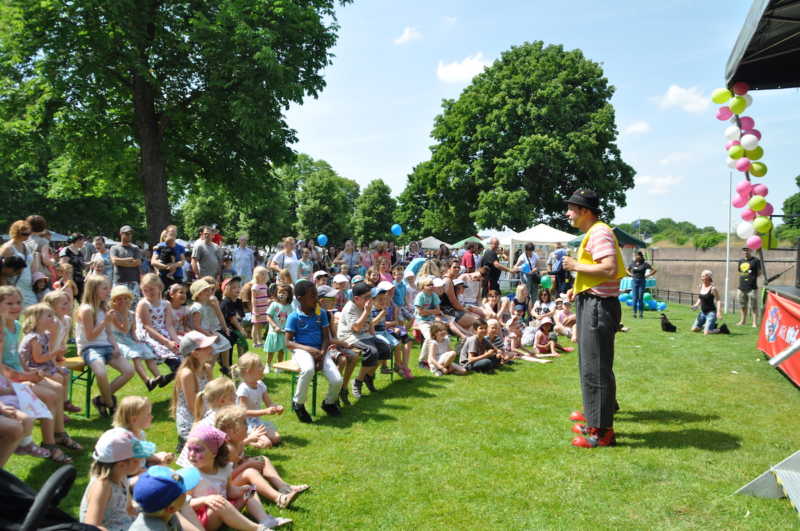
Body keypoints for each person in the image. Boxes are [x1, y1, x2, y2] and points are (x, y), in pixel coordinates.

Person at [563, 189, 626, 449]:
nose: (567, 213)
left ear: (585, 211)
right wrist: (578, 285)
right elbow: (598, 271)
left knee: (596, 369)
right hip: (593, 302)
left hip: (598, 307)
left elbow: (609, 268)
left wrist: (575, 267)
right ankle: (593, 419)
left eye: (571, 208)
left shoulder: (599, 232)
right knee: (591, 367)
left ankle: (602, 432)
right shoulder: (596, 232)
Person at [184, 424, 284, 531]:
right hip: (203, 519)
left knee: (250, 490)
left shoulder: (224, 469)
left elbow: (229, 491)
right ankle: (257, 529)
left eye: (197, 450)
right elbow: (184, 503)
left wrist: (242, 490)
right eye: (189, 449)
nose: (191, 454)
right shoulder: (190, 474)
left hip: (226, 508)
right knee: (219, 504)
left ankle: (264, 519)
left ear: (214, 452)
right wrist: (205, 500)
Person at [77, 274, 135, 417]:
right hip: (89, 348)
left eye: (108, 288)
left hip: (107, 346)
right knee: (101, 372)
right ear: (94, 289)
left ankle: (101, 400)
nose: (108, 291)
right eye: (104, 288)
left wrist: (115, 346)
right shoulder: (86, 310)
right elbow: (90, 336)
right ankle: (110, 404)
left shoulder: (104, 308)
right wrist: (105, 321)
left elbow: (109, 333)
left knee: (129, 371)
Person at [285, 279, 343, 422]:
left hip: (321, 350)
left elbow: (326, 338)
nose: (316, 298)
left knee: (337, 380)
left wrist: (322, 356)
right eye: (312, 296)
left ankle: (328, 403)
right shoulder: (293, 317)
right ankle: (298, 404)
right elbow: (288, 342)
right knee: (308, 370)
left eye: (316, 294)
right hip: (301, 351)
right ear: (300, 299)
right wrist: (309, 349)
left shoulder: (321, 313)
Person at [79, 427, 156, 530]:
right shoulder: (102, 486)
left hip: (124, 522)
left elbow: (129, 509)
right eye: (136, 460)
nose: (142, 462)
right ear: (122, 465)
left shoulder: (122, 477)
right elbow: (92, 525)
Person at [109, 285, 163, 391]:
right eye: (119, 299)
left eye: (125, 299)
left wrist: (136, 339)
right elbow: (123, 329)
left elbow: (132, 330)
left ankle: (159, 377)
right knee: (136, 356)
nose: (123, 301)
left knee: (147, 353)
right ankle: (147, 380)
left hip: (129, 338)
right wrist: (124, 314)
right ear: (113, 302)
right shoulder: (113, 314)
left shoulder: (131, 314)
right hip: (118, 341)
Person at [172, 331, 216, 453]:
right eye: (206, 347)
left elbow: (214, 394)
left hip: (206, 413)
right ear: (195, 353)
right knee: (215, 447)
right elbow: (193, 407)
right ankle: (184, 443)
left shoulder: (206, 368)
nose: (212, 348)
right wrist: (212, 422)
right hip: (193, 420)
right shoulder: (187, 374)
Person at [131, 465, 201, 531]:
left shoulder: (170, 516)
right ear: (171, 508)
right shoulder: (156, 528)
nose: (186, 493)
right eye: (183, 491)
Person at [234, 353, 282, 447]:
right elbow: (244, 412)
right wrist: (265, 411)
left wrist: (276, 407)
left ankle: (257, 436)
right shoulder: (243, 389)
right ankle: (245, 441)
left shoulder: (261, 385)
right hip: (245, 424)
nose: (263, 367)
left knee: (276, 438)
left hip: (256, 421)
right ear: (249, 371)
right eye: (259, 365)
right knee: (267, 444)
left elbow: (269, 404)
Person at [1, 220, 38, 308]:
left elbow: (30, 266)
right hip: (13, 285)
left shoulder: (26, 246)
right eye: (24, 234)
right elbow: (2, 272)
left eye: (29, 234)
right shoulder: (8, 248)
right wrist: (6, 290)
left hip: (28, 286)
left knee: (33, 312)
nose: (27, 236)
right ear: (15, 232)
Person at [110, 225, 143, 299]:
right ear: (121, 234)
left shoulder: (135, 248)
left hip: (133, 281)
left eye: (131, 234)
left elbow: (137, 262)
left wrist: (121, 262)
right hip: (119, 281)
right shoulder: (114, 248)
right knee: (118, 305)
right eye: (127, 234)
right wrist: (129, 260)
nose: (129, 236)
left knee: (133, 306)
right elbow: (114, 261)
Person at [152, 225, 187, 290]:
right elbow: (153, 261)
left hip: (177, 276)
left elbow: (183, 261)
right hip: (163, 276)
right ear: (167, 233)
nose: (173, 234)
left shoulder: (180, 247)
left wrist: (174, 265)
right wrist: (165, 266)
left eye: (175, 232)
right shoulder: (160, 246)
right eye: (171, 232)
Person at [625, 251, 656, 319]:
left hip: (642, 281)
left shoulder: (645, 264)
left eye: (637, 255)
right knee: (635, 298)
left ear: (641, 256)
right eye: (635, 256)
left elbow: (654, 270)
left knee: (640, 298)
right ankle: (634, 313)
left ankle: (641, 313)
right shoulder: (632, 264)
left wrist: (648, 275)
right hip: (634, 282)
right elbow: (626, 270)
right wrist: (630, 274)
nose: (636, 257)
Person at [691, 270, 723, 335]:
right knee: (694, 329)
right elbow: (700, 298)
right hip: (702, 313)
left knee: (706, 333)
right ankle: (708, 326)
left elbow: (718, 300)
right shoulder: (701, 286)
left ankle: (721, 329)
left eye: (703, 276)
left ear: (708, 277)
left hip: (711, 313)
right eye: (701, 276)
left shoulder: (713, 289)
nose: (701, 278)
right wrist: (696, 305)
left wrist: (718, 312)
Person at [736, 246, 761, 327]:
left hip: (752, 287)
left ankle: (754, 323)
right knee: (742, 305)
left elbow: (759, 272)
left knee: (754, 305)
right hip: (741, 287)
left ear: (751, 250)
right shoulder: (740, 261)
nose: (746, 252)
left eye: (747, 250)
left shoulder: (756, 260)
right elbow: (740, 271)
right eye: (744, 250)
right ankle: (743, 321)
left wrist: (752, 277)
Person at [59, 233, 86, 300]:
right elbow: (63, 265)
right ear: (78, 241)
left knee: (82, 300)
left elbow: (81, 265)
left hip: (79, 280)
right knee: (69, 301)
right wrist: (69, 280)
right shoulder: (66, 250)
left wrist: (90, 263)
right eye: (83, 240)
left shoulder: (80, 252)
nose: (84, 242)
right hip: (69, 280)